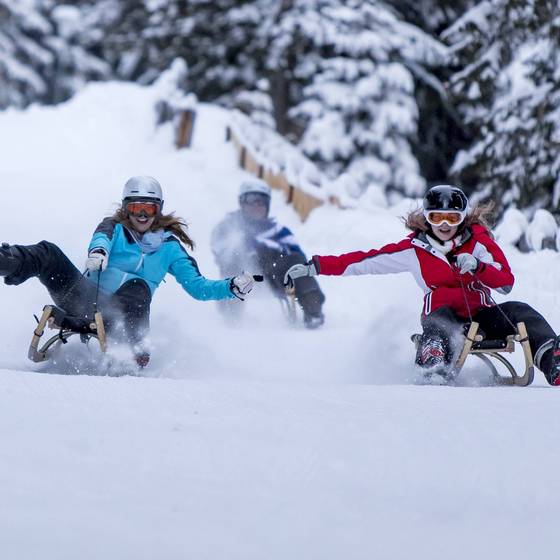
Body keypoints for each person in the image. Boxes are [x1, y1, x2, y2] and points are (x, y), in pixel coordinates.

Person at [285, 184, 560, 385]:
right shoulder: (414, 249)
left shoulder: (478, 242)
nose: (443, 224)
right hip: (446, 317)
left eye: (451, 218)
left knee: (521, 310)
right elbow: (365, 261)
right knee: (439, 317)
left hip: (483, 316)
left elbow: (505, 283)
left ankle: (552, 357)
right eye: (436, 217)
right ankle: (434, 359)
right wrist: (316, 266)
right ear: (426, 219)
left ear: (463, 218)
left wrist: (478, 267)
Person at [0, 176, 255, 367]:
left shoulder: (170, 248)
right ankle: (6, 260)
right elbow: (101, 238)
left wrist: (230, 287)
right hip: (84, 297)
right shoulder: (115, 227)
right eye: (135, 208)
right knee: (49, 252)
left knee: (139, 286)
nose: (142, 215)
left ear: (159, 210)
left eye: (149, 209)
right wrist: (98, 253)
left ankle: (131, 345)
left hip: (124, 318)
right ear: (126, 208)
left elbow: (198, 287)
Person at [211, 179, 325, 328]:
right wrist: (244, 248)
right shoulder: (230, 226)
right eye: (251, 200)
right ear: (242, 203)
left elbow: (298, 255)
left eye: (261, 201)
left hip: (275, 276)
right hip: (243, 274)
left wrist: (269, 250)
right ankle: (231, 316)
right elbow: (220, 251)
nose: (257, 205)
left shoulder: (278, 232)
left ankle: (313, 310)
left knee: (297, 263)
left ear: (267, 205)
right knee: (234, 257)